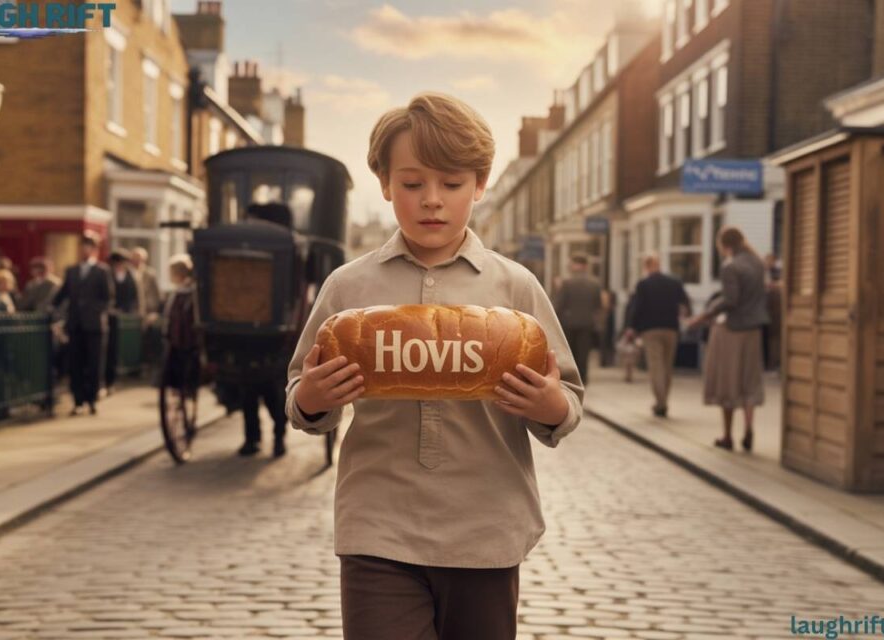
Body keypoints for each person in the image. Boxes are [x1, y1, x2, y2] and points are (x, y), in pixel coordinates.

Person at [285, 92, 584, 640]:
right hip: (378, 527)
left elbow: (567, 398)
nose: (432, 201)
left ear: (480, 185)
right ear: (383, 184)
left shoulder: (517, 286)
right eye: (412, 183)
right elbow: (300, 393)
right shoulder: (348, 287)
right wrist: (311, 400)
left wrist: (551, 406)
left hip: (486, 528)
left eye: (451, 184)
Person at [688, 226, 770, 452]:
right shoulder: (758, 264)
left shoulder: (731, 267)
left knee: (728, 383)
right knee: (750, 382)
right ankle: (749, 428)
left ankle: (727, 435)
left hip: (733, 330)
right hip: (754, 329)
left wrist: (704, 315)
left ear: (724, 245)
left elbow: (730, 300)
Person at [236, 202, 295, 458]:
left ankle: (278, 437)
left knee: (273, 395)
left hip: (278, 340)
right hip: (246, 335)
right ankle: (252, 439)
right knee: (248, 394)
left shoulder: (286, 251)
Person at [52, 231, 114, 416]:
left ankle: (92, 400)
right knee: (76, 363)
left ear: (94, 249)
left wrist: (94, 310)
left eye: (88, 246)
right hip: (75, 324)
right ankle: (78, 401)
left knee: (94, 364)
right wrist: (51, 308)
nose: (85, 250)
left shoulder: (102, 271)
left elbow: (108, 298)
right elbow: (62, 294)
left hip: (94, 325)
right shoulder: (71, 271)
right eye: (82, 246)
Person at [624, 254, 691, 417]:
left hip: (650, 330)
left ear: (646, 267)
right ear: (659, 265)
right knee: (667, 367)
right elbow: (685, 303)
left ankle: (660, 402)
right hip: (671, 329)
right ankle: (664, 400)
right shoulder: (674, 282)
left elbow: (637, 307)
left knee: (656, 367)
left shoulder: (643, 284)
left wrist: (631, 327)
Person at [551, 255, 609, 385]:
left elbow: (559, 305)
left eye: (571, 264)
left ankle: (571, 380)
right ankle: (583, 379)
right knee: (584, 354)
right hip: (587, 324)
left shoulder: (567, 283)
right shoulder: (595, 283)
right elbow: (598, 305)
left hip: (569, 323)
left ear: (577, 265)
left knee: (570, 353)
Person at [161, 254, 200, 396]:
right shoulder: (178, 291)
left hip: (186, 335)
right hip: (177, 334)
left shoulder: (190, 290)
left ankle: (187, 386)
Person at [104, 249, 140, 393]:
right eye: (117, 263)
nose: (120, 266)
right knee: (106, 351)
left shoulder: (131, 275)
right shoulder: (107, 275)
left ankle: (112, 380)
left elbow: (134, 296)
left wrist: (127, 310)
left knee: (116, 350)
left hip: (123, 317)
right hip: (108, 316)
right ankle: (105, 381)